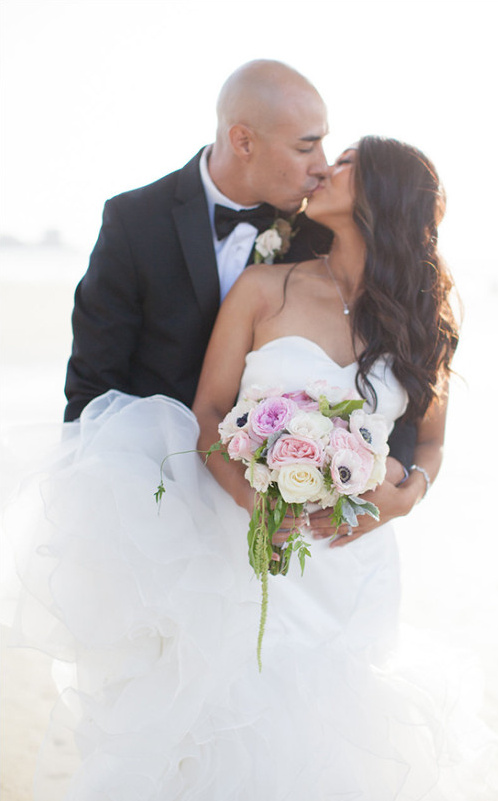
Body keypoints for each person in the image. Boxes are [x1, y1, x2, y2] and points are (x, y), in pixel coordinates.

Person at [9, 136, 489, 801]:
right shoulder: (266, 287)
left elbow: (432, 442)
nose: (326, 166)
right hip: (242, 551)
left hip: (355, 569)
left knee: (338, 756)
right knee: (227, 738)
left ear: (383, 197)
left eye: (347, 161)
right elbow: (208, 412)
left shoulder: (420, 318)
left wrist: (409, 494)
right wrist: (248, 493)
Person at [62, 59, 417, 541]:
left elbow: (398, 369)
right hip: (151, 498)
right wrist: (101, 507)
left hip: (280, 513)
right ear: (244, 141)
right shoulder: (135, 221)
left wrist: (404, 482)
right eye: (305, 145)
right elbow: (92, 389)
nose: (322, 165)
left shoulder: (326, 228)